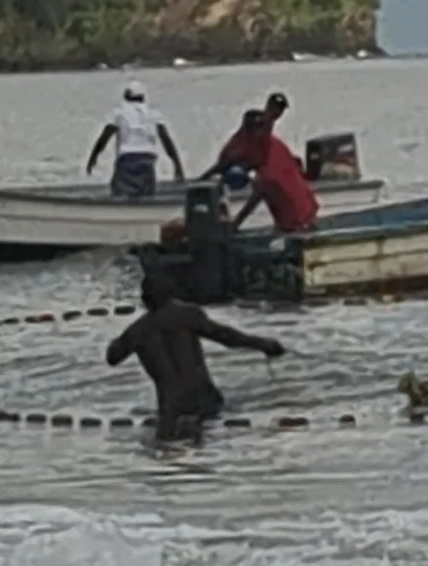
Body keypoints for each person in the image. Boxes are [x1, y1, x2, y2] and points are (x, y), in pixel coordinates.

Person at [106, 259, 284, 440]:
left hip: (171, 408)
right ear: (172, 293)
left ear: (144, 299)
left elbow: (112, 358)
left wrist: (121, 339)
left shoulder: (137, 331)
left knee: (167, 448)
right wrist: (264, 344)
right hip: (203, 400)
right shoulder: (188, 315)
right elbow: (227, 337)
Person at [216, 85, 320, 234]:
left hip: (296, 225)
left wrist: (234, 225)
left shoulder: (267, 164)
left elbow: (257, 195)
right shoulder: (268, 145)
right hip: (306, 216)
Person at [86, 81, 185, 201]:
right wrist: (177, 165)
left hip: (127, 159)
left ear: (126, 96)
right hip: (148, 160)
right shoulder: (153, 113)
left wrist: (93, 159)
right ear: (143, 97)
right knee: (146, 197)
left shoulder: (119, 112)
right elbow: (166, 140)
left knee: (120, 196)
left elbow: (104, 137)